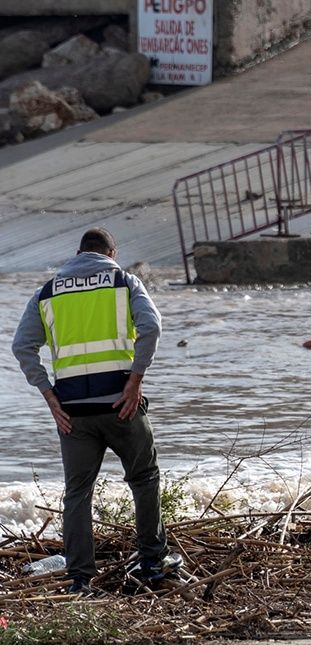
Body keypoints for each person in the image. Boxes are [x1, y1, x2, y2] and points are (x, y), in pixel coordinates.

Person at [11, 228, 182, 594]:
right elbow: (151, 327)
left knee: (77, 493)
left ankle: (80, 579)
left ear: (78, 253)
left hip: (72, 411)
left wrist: (49, 395)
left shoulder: (48, 292)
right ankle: (153, 562)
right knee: (144, 477)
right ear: (111, 254)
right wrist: (135, 381)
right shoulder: (124, 282)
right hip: (121, 404)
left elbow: (22, 346)